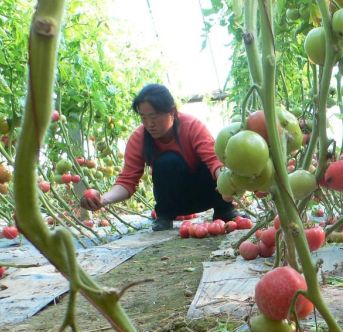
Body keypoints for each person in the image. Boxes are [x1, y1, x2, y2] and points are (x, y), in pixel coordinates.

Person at [80, 84, 236, 231]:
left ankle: (224, 211)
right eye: (143, 118)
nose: (149, 124)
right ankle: (165, 216)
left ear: (172, 112)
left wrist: (227, 186)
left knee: (211, 164)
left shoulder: (192, 126)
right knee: (166, 162)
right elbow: (127, 181)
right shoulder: (139, 138)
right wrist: (103, 200)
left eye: (154, 117)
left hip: (207, 194)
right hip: (176, 204)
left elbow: (214, 161)